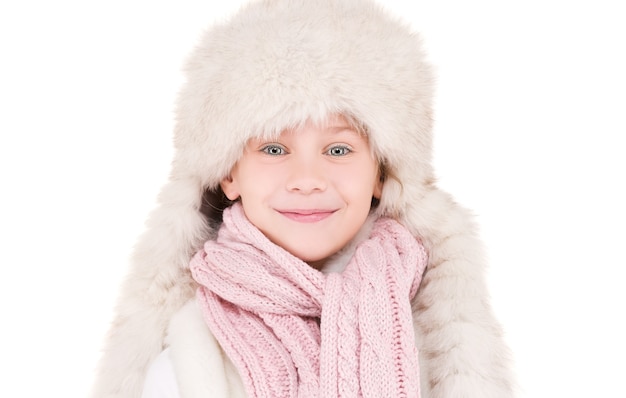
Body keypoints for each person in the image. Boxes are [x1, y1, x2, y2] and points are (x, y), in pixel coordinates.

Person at [91, 0, 516, 397]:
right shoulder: (186, 358)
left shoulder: (442, 350)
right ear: (228, 174)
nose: (308, 180)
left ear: (381, 174)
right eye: (274, 149)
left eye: (338, 150)